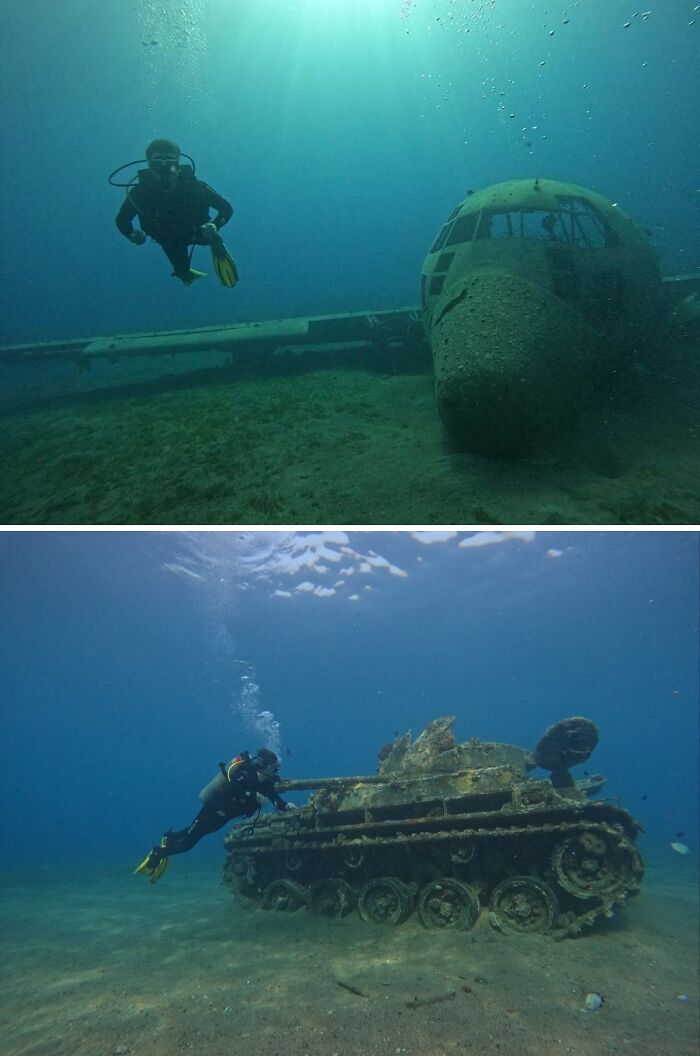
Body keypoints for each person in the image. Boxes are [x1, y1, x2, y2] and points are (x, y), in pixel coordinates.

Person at [134, 748, 289, 883]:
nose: (276, 771)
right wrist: (253, 795)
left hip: (224, 816)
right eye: (275, 768)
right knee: (188, 844)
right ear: (265, 766)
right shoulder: (247, 773)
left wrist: (288, 807)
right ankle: (157, 853)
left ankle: (171, 837)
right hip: (214, 809)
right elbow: (236, 785)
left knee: (198, 832)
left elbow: (277, 801)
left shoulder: (266, 783)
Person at [114, 138, 238, 287]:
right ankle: (186, 272)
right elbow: (122, 221)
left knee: (208, 236)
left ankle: (214, 241)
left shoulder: (196, 187)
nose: (164, 171)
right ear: (149, 166)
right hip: (168, 239)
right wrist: (132, 234)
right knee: (183, 273)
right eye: (157, 165)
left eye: (170, 165)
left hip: (198, 232)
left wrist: (215, 225)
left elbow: (226, 209)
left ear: (178, 165)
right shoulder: (140, 193)